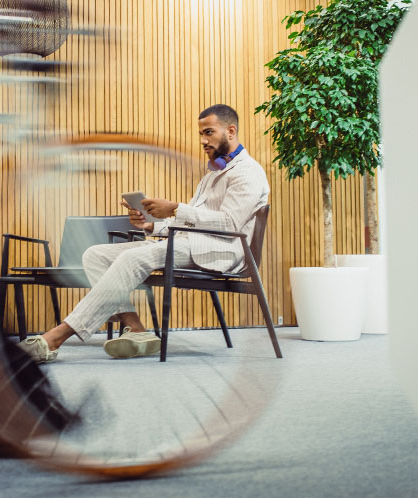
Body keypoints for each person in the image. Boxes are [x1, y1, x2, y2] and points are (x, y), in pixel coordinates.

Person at [18, 104, 270, 362]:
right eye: (201, 135)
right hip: (192, 244)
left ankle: (55, 337)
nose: (203, 141)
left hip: (223, 252)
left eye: (209, 133)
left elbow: (229, 225)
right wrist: (151, 226)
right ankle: (136, 328)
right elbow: (191, 225)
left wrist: (174, 208)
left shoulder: (247, 172)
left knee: (132, 259)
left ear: (230, 131)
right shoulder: (210, 176)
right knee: (96, 254)